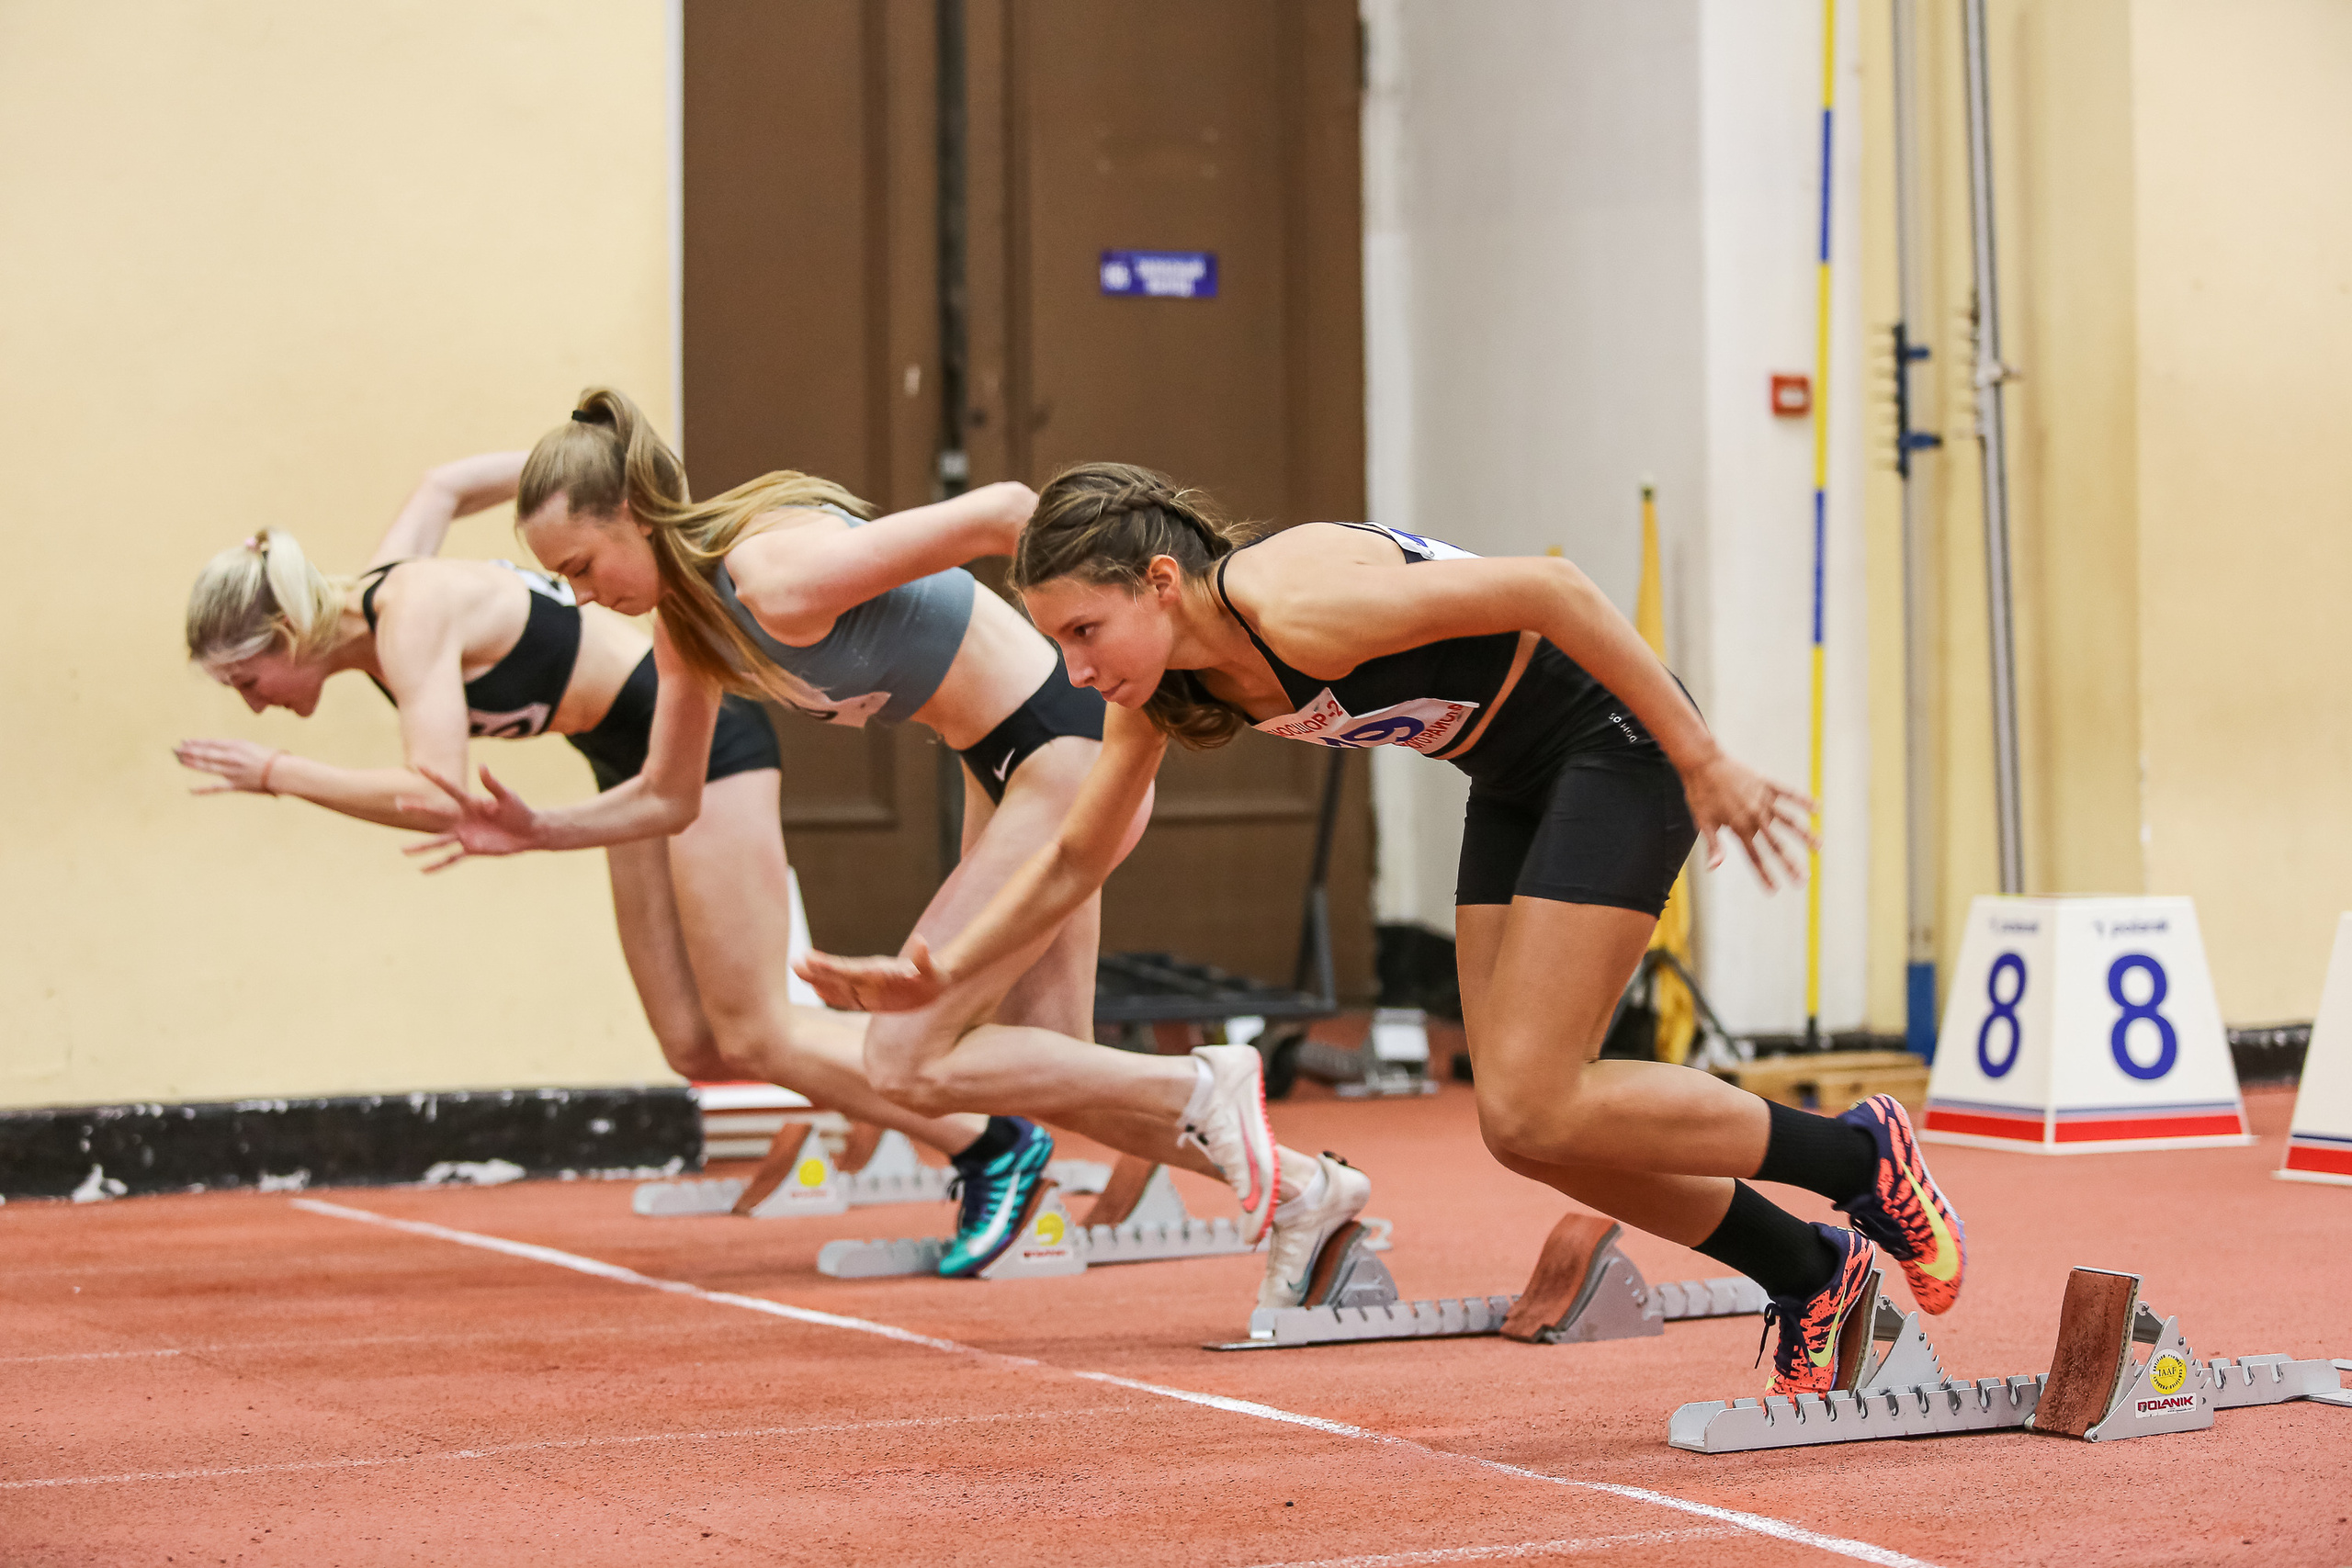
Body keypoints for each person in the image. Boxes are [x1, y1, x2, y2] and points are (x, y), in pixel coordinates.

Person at [798, 462, 1967, 1392]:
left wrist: (1700, 757)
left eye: (1084, 631)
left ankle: (1860, 1158)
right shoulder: (1164, 687)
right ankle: (1808, 1270)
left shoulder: (1294, 602)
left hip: (1614, 746)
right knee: (1523, 1127)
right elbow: (1074, 854)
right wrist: (940, 971)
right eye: (1055, 640)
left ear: (1159, 582)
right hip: (1509, 777)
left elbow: (1554, 589)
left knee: (1543, 1092)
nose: (1073, 665)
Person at [409, 393, 1365, 1298]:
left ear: (633, 513)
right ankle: (1306, 1190)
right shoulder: (691, 629)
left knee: (904, 1055)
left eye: (582, 567)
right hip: (1004, 763)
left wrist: (1122, 638)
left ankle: (1200, 1081)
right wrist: (537, 830)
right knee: (1052, 1070)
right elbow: (667, 795)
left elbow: (1004, 509)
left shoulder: (773, 572)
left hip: (1058, 742)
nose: (580, 597)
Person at [176, 452, 1005, 1224]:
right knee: (692, 1043)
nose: (256, 704)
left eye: (249, 680)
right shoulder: (383, 590)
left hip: (699, 741)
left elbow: (437, 795)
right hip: (621, 762)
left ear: (286, 634)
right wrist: (558, 473)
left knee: (756, 1030)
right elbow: (444, 485)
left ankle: (991, 1130)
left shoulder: (409, 611)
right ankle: (895, 1100)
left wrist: (279, 772)